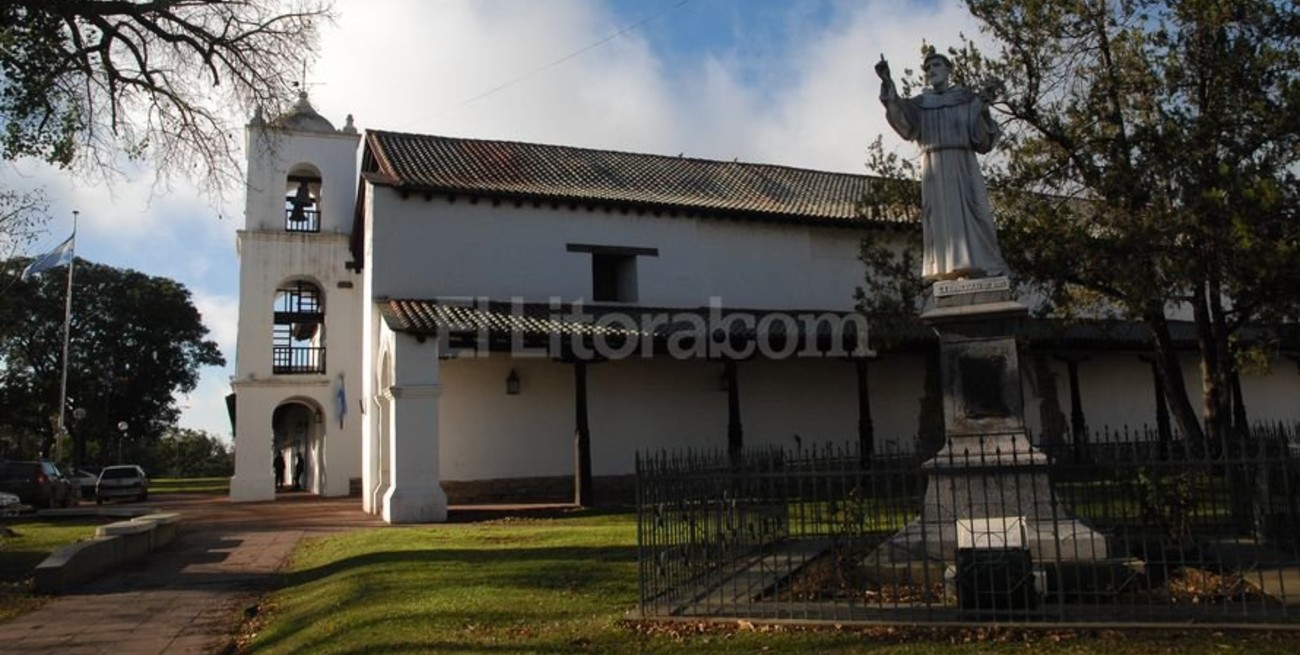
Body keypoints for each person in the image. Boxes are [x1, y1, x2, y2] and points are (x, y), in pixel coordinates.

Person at [875, 51, 1009, 282]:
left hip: (962, 163)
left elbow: (982, 141)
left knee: (977, 214)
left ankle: (985, 264)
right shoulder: (920, 104)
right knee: (940, 220)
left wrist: (983, 109)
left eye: (936, 65)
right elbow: (902, 121)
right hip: (933, 167)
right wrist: (888, 82)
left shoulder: (966, 100)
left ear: (948, 70)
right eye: (927, 68)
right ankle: (947, 268)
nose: (932, 71)